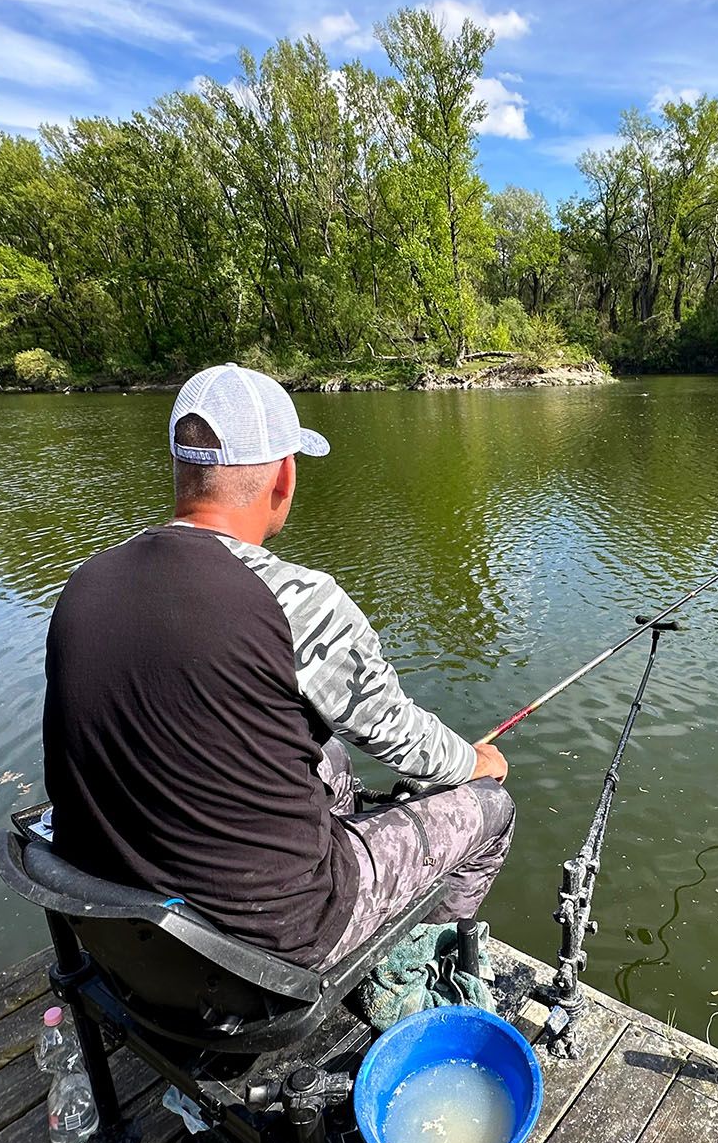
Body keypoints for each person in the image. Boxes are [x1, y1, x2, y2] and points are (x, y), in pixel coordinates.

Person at [42, 363, 514, 969]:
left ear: (184, 471)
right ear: (284, 476)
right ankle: (420, 968)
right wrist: (477, 762)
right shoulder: (296, 599)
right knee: (489, 807)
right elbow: (402, 737)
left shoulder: (86, 583)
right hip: (269, 946)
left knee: (330, 757)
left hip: (119, 924)